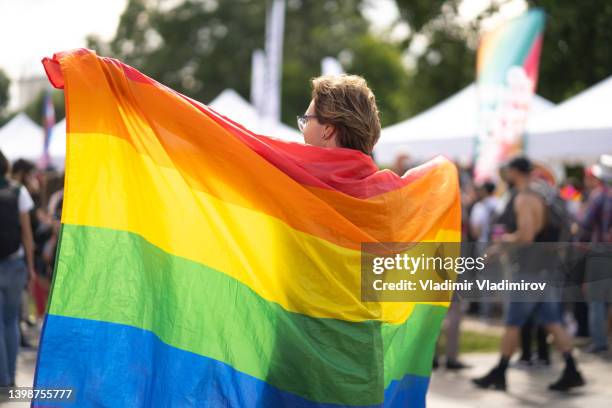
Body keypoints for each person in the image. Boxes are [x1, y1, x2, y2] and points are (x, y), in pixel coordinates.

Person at [473, 156, 585, 392]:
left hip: (528, 272)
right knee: (553, 323)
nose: (505, 176)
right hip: (546, 269)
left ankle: (500, 372)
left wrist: (503, 241)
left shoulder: (524, 198)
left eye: (508, 171)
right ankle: (572, 369)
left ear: (515, 172)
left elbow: (526, 235)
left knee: (513, 323)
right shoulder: (542, 194)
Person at [0, 150, 36, 387]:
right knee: (11, 321)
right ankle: (11, 376)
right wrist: (31, 268)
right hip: (15, 263)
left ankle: (2, 378)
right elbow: (27, 234)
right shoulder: (18, 191)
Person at [578, 154, 612, 354]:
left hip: (600, 252)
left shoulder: (600, 195)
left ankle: (599, 342)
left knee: (596, 299)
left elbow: (585, 224)